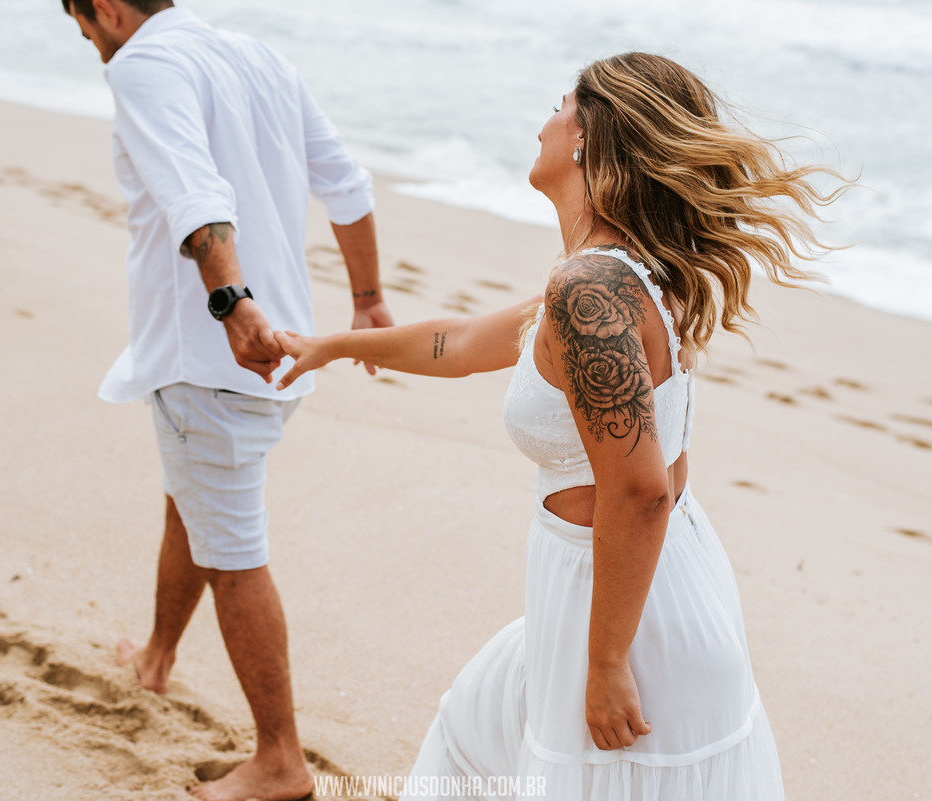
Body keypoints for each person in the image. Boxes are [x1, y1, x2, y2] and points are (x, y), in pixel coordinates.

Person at [274, 53, 847, 800]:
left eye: (559, 105)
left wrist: (605, 662)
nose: (543, 121)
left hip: (623, 611)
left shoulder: (592, 287)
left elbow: (640, 491)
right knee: (473, 732)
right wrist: (333, 345)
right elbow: (466, 342)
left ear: (588, 139)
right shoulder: (617, 272)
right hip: (640, 580)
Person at [62, 1, 393, 799]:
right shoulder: (256, 55)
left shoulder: (142, 65)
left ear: (107, 9)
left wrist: (232, 306)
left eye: (84, 29)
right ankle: (157, 657)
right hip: (282, 353)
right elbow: (344, 180)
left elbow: (194, 193)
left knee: (234, 553)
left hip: (217, 357)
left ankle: (280, 759)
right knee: (195, 505)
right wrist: (368, 299)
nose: (93, 47)